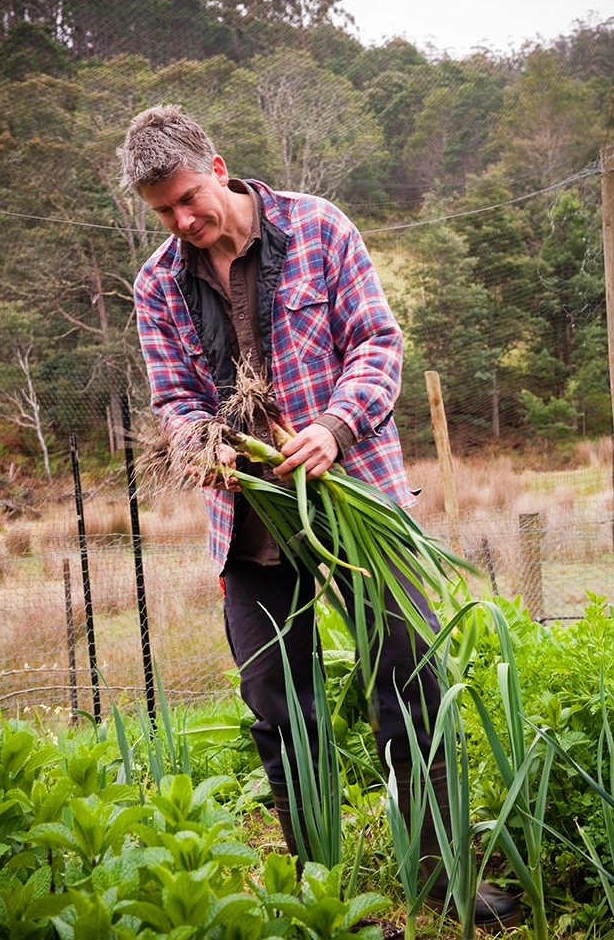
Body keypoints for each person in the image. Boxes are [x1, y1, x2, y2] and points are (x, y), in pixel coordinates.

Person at [118, 104, 521, 928]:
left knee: (411, 684)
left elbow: (378, 343)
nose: (184, 221)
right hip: (252, 526)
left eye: (190, 198)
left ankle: (442, 873)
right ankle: (327, 895)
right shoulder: (157, 284)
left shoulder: (319, 229)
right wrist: (204, 443)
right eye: (164, 211)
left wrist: (334, 427)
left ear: (218, 166)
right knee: (279, 708)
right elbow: (173, 401)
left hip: (356, 501)